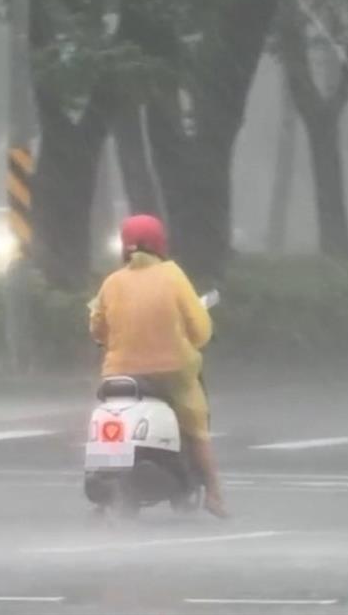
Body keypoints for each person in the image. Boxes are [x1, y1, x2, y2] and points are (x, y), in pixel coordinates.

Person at [88, 214, 226, 518]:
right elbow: (200, 328)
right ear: (160, 244)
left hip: (119, 373)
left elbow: (97, 328)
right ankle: (214, 494)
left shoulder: (111, 283)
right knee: (196, 427)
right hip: (173, 372)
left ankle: (108, 474)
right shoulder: (173, 275)